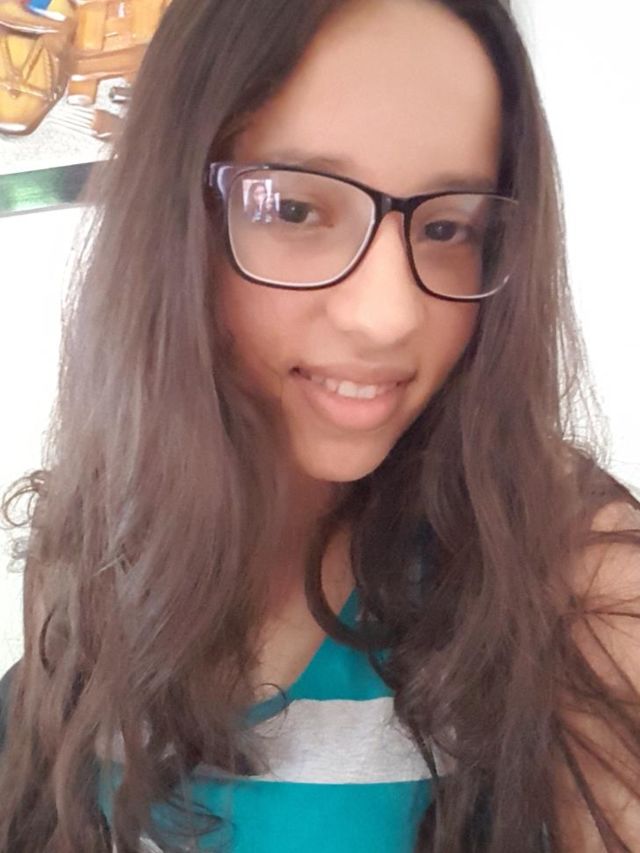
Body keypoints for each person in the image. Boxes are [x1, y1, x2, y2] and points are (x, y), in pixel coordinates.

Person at [1, 0, 639, 850]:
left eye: (448, 227)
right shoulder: (93, 535)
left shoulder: (579, 577)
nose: (388, 316)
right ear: (174, 219)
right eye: (295, 210)